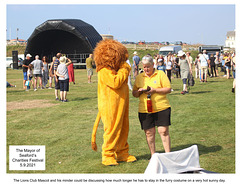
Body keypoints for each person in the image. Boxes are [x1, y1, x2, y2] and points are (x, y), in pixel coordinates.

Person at [132, 55, 172, 157]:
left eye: (148, 66)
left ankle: (168, 155)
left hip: (161, 107)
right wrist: (140, 91)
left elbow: (168, 89)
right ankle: (153, 155)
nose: (146, 69)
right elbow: (134, 93)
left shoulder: (160, 74)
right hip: (145, 109)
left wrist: (155, 90)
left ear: (153, 65)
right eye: (144, 67)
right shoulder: (139, 77)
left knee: (163, 131)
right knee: (149, 133)